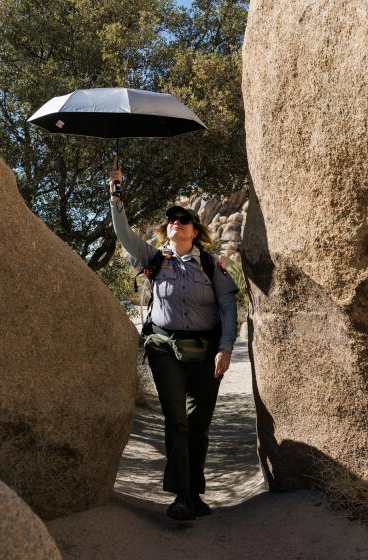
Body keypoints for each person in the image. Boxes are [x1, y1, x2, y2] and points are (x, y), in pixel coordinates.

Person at [108, 157, 239, 521]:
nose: (174, 223)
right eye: (171, 220)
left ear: (194, 230)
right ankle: (182, 495)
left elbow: (228, 308)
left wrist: (226, 348)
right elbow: (123, 234)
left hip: (206, 350)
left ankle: (193, 492)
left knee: (199, 425)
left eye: (182, 220)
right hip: (164, 346)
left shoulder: (211, 266)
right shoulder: (155, 258)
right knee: (176, 420)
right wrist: (116, 191)